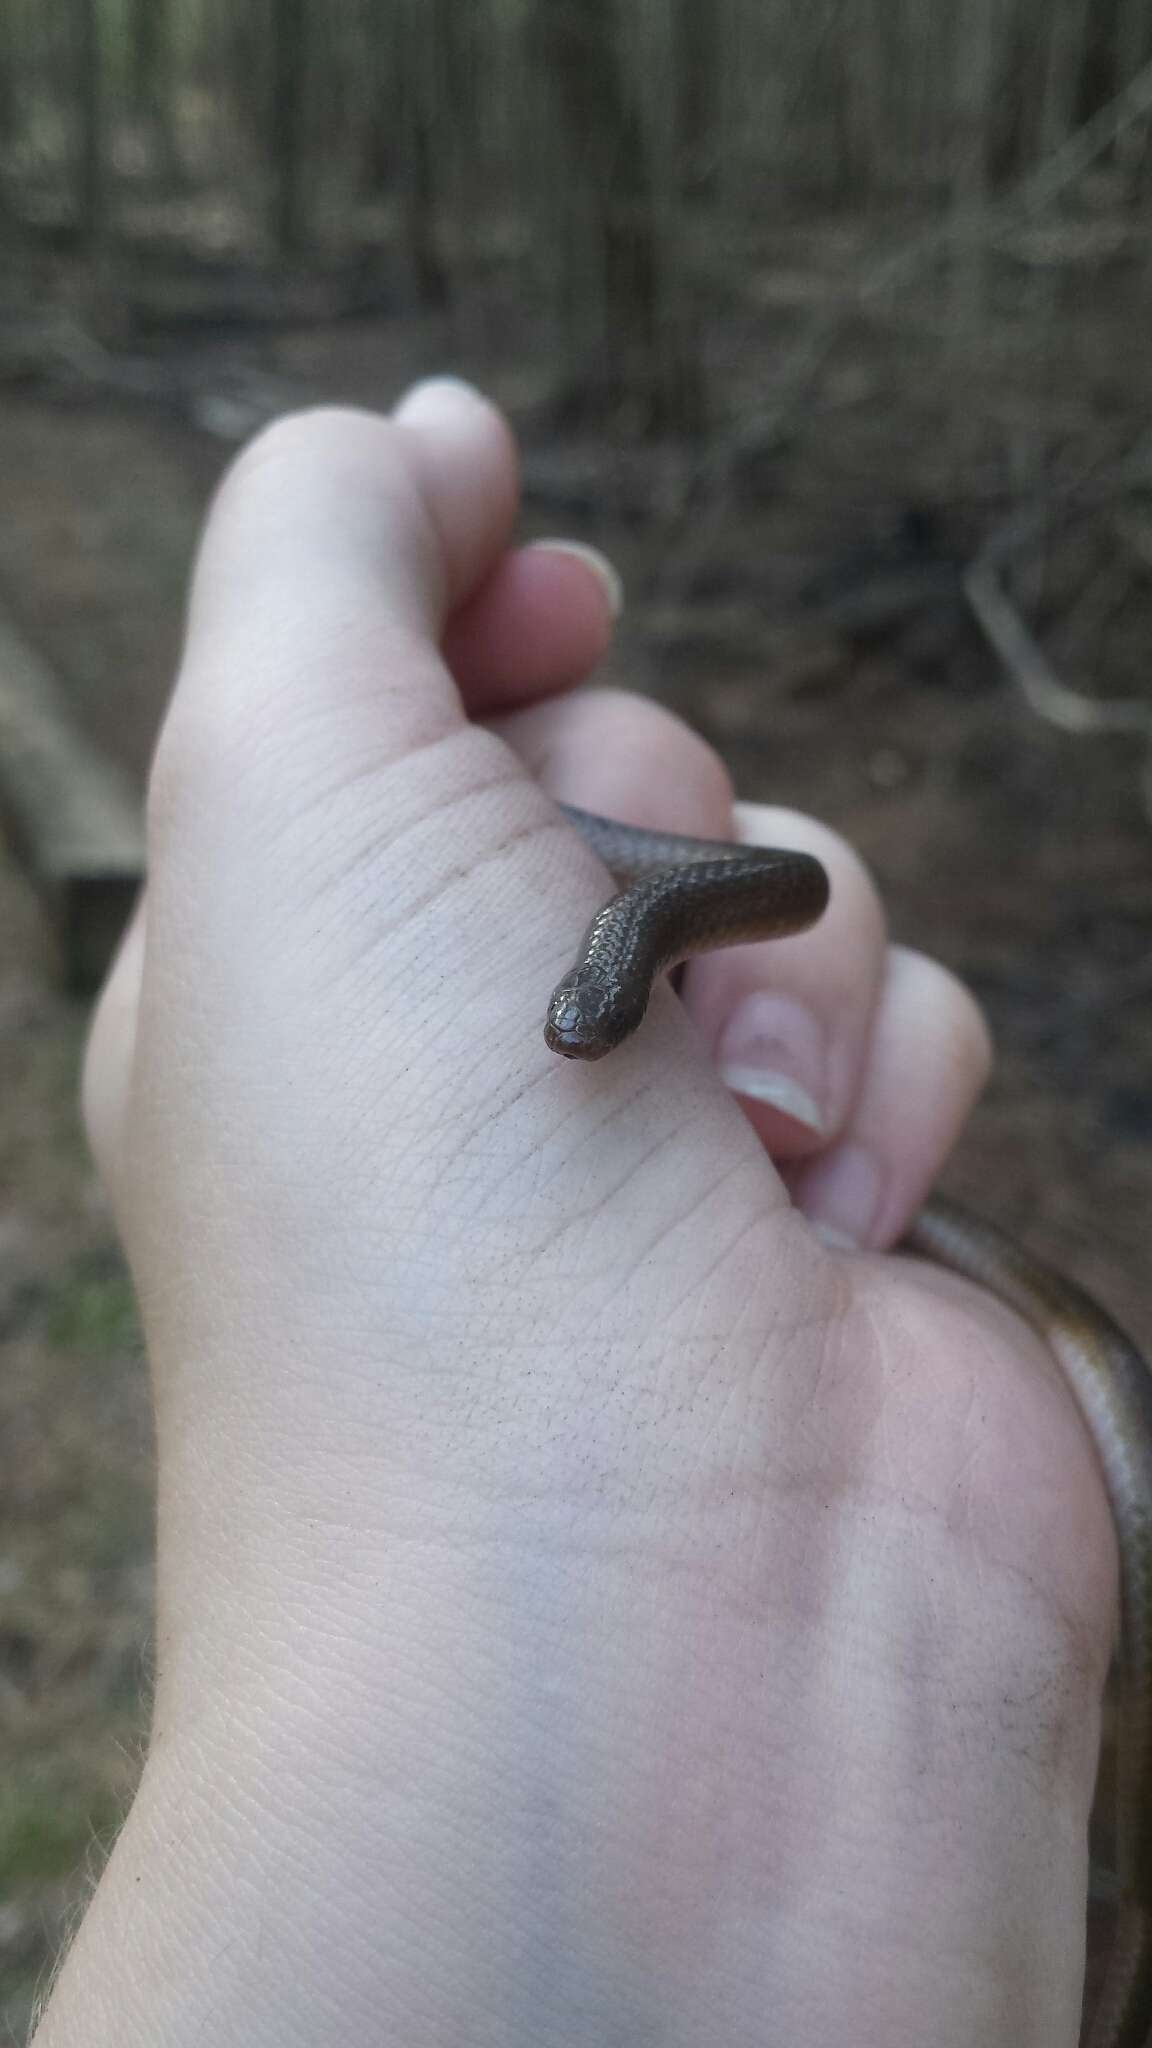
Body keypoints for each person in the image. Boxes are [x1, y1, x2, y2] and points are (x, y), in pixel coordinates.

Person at [37, 379, 1112, 2045]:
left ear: (628, 984)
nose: (579, 1045)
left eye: (598, 1018)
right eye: (589, 1016)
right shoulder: (561, 935)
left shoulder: (656, 919)